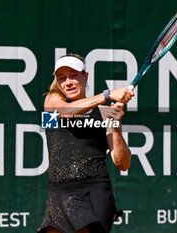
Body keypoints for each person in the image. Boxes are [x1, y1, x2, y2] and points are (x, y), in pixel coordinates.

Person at [37, 53, 134, 233]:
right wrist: (108, 94)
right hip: (59, 194)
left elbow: (123, 163)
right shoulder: (52, 102)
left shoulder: (105, 113)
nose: (68, 82)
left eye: (73, 75)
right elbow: (66, 112)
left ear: (85, 76)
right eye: (62, 78)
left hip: (94, 192)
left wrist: (116, 125)